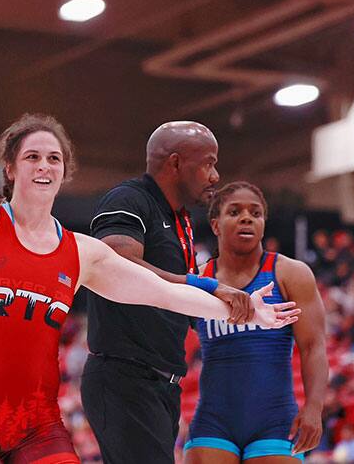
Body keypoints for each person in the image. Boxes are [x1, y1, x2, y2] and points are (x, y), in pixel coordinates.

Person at [0, 0, 300, 463]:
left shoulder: (80, 252)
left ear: (64, 171)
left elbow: (162, 292)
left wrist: (241, 310)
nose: (44, 166)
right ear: (11, 168)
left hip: (37, 426)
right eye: (33, 157)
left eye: (54, 159)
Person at [81, 121, 255, 464]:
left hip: (161, 382)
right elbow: (119, 266)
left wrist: (248, 320)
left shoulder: (181, 219)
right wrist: (205, 285)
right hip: (124, 378)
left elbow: (179, 299)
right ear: (175, 164)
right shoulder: (129, 199)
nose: (215, 175)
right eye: (208, 163)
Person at [184, 181, 328, 463]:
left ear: (263, 223)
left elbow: (313, 346)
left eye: (256, 213)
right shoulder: (198, 279)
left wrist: (314, 408)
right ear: (215, 225)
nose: (246, 218)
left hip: (275, 420)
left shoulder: (291, 274)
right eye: (235, 212)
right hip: (213, 420)